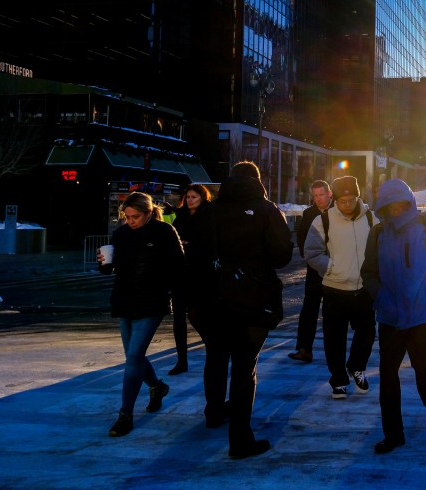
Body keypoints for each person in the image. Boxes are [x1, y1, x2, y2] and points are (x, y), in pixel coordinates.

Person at [360, 178, 426, 455]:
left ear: (409, 202)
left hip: (424, 316)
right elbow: (369, 272)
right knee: (388, 377)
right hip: (390, 317)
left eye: (401, 205)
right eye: (390, 207)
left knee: (425, 368)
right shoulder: (378, 233)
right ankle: (393, 434)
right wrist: (380, 297)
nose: (396, 211)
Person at [204, 160, 293, 460]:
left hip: (217, 298)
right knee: (245, 368)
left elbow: (198, 254)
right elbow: (282, 255)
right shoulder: (267, 210)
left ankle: (214, 411)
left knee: (217, 358)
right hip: (255, 297)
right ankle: (240, 440)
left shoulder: (212, 210)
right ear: (257, 180)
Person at [99, 191, 185, 438]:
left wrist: (171, 290)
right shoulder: (121, 233)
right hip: (125, 300)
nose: (130, 221)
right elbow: (110, 267)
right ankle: (157, 387)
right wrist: (104, 263)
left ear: (148, 213)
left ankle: (125, 414)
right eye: (126, 217)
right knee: (132, 356)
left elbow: (179, 267)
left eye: (135, 217)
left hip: (152, 302)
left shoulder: (164, 232)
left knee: (134, 356)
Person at [304, 175, 377, 399]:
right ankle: (338, 380)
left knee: (367, 333)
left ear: (358, 197)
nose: (347, 205)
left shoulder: (372, 220)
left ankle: (356, 366)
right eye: (343, 201)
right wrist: (331, 269)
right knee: (334, 339)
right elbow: (312, 252)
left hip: (364, 289)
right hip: (335, 289)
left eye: (351, 200)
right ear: (335, 199)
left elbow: (381, 249)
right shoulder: (323, 220)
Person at [168, 183, 215, 375]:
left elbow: (208, 242)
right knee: (178, 317)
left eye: (194, 197)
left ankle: (214, 348)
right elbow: (173, 239)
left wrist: (189, 244)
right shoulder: (181, 216)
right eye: (188, 197)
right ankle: (182, 360)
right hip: (181, 271)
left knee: (197, 316)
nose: (190, 200)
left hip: (200, 273)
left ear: (203, 198)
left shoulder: (209, 215)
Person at [289, 179, 333, 363]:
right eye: (315, 196)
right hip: (314, 269)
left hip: (335, 268)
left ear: (329, 194)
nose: (318, 199)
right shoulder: (309, 214)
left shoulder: (337, 211)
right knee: (309, 310)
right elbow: (301, 237)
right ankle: (304, 348)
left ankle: (333, 352)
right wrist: (310, 257)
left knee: (332, 313)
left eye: (321, 195)